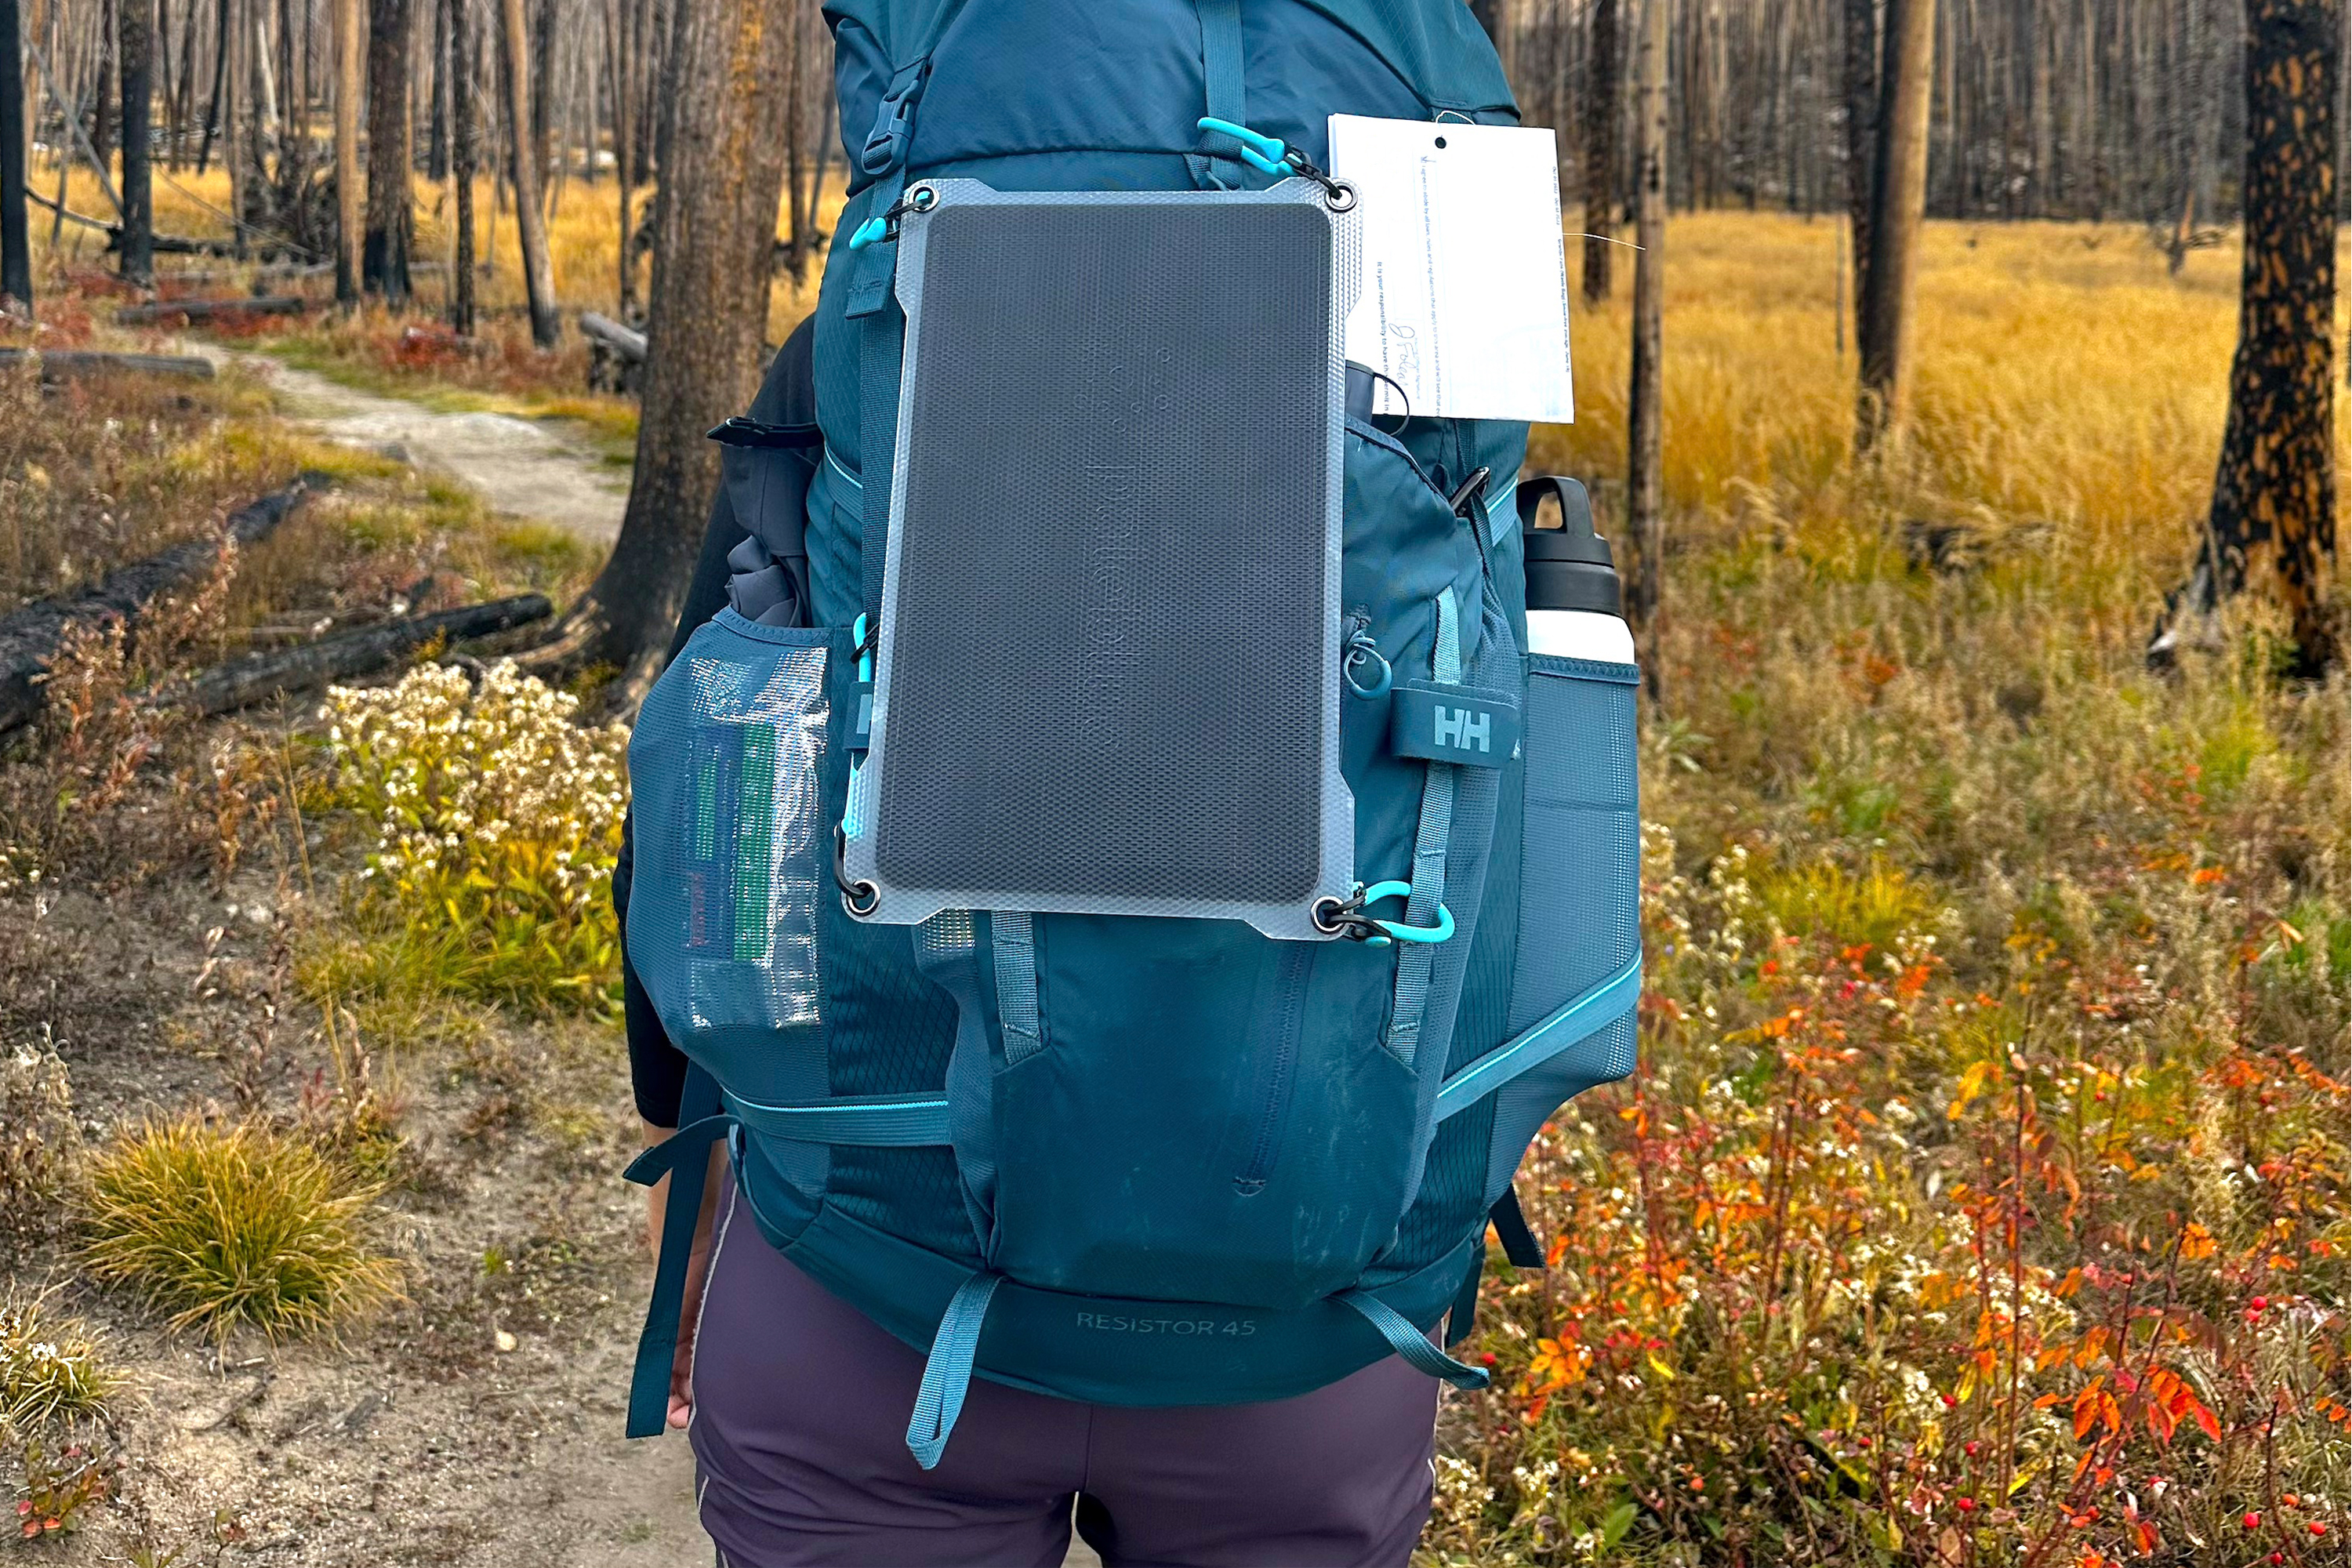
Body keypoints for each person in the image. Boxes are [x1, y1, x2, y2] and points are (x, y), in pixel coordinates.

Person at [614, 4, 1548, 1563]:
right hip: (1315, 1321)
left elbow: (729, 751)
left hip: (873, 1280)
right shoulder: (1436, 140)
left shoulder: (910, 158)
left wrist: (709, 1186)